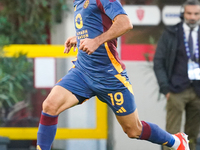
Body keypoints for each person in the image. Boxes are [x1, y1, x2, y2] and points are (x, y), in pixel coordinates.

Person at [36, 0, 190, 150]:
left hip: (110, 76)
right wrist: (79, 38)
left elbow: (125, 23)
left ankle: (176, 141)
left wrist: (96, 41)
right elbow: (97, 25)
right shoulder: (78, 1)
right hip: (82, 72)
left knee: (134, 130)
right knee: (50, 105)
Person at [153, 0, 200, 150]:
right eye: (189, 13)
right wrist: (165, 88)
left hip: (198, 91)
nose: (192, 17)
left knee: (192, 136)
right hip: (176, 89)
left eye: (196, 14)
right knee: (172, 135)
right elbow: (158, 61)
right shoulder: (171, 33)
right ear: (183, 14)